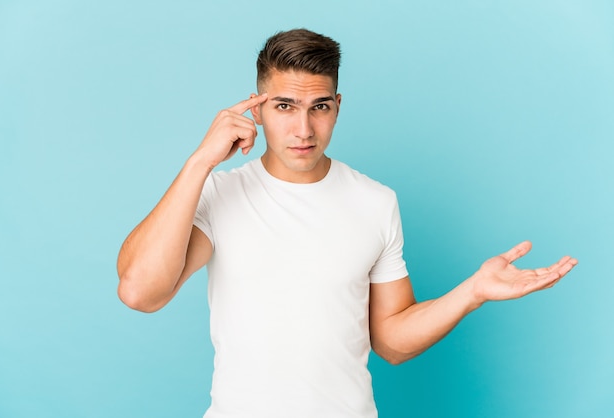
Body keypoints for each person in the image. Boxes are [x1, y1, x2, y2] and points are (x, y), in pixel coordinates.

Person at [116, 28, 578, 418]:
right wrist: (200, 163)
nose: (303, 129)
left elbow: (392, 341)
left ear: (337, 105)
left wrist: (472, 292)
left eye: (319, 107)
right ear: (254, 110)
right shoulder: (220, 195)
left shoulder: (375, 202)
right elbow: (140, 292)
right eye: (284, 107)